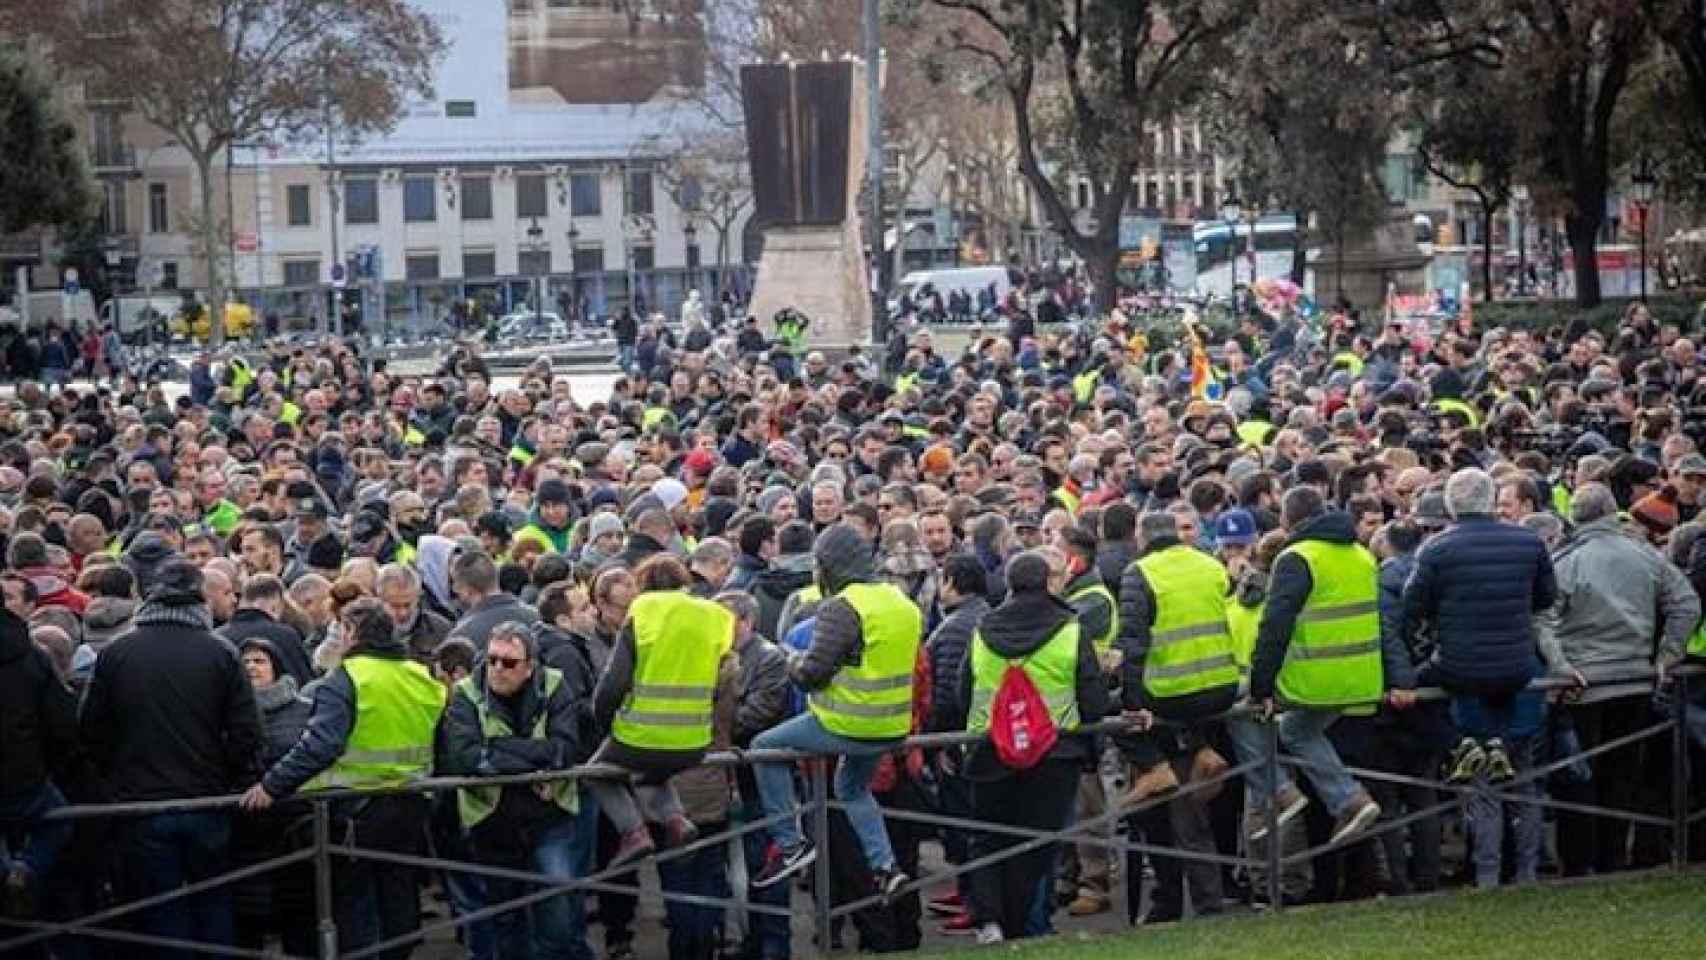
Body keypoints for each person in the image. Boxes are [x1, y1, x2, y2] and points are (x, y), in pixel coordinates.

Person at [239, 597, 447, 959]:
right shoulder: (420, 676)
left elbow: (320, 746)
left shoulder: (346, 678)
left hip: (357, 810)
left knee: (357, 911)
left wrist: (271, 785)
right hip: (413, 803)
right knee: (398, 900)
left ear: (351, 633)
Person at [79, 559, 262, 957]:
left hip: (141, 802)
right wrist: (229, 776)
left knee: (160, 911)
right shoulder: (221, 653)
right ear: (200, 599)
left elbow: (92, 729)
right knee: (213, 901)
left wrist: (116, 777)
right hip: (207, 799)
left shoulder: (117, 653)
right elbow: (247, 732)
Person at [1395, 468, 1565, 888]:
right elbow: (1546, 597)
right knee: (1521, 775)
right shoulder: (1528, 542)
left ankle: (1487, 875)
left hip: (1459, 670)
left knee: (1482, 780)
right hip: (1518, 668)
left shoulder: (1435, 550)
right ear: (1491, 500)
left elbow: (1411, 606)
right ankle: (1525, 872)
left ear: (1452, 505)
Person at [750, 523, 922, 900]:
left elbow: (811, 675)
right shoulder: (902, 602)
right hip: (891, 726)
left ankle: (791, 845)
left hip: (845, 722)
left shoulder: (842, 607)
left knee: (763, 748)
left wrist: (789, 656)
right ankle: (886, 866)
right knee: (851, 788)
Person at [949, 551, 1109, 944]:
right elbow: (1092, 697)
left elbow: (962, 689)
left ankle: (990, 922)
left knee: (987, 837)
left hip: (989, 748)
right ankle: (1023, 924)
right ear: (1047, 582)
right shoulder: (1071, 630)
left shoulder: (983, 628)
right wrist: (1091, 743)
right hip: (1056, 751)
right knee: (1037, 842)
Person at [1542, 482, 1700, 876]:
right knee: (1622, 775)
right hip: (1634, 679)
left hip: (1582, 685)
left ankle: (1579, 865)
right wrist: (1667, 654)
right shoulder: (1645, 555)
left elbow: (1540, 618)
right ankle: (1613, 859)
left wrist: (1559, 664)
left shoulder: (1565, 561)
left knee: (1579, 779)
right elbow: (1685, 602)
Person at [438, 621, 597, 960]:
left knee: (556, 909)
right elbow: (465, 758)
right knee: (506, 918)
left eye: (509, 663)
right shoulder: (467, 692)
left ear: (529, 668)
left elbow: (565, 749)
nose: (497, 668)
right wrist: (535, 760)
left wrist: (498, 748)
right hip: (492, 821)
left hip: (549, 816)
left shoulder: (554, 685)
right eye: (492, 659)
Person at [1238, 486, 1383, 847]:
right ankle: (1346, 800)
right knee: (1298, 732)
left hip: (1315, 677)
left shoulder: (1298, 557)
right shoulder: (1361, 555)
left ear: (1287, 521)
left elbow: (1275, 625)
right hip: (1362, 677)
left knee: (1247, 715)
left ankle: (1280, 794)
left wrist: (1261, 687)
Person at [1115, 510, 1240, 922]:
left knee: (1176, 813)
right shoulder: (1211, 565)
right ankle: (1203, 901)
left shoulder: (1141, 573)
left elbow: (1132, 644)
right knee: (1189, 818)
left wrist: (1133, 706)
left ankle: (1181, 903)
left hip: (1171, 694)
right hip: (1219, 689)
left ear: (1141, 537)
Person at [584, 555, 738, 865]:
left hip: (641, 734)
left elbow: (613, 684)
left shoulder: (644, 612)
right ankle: (677, 820)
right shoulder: (717, 616)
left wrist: (604, 722)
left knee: (596, 774)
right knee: (654, 774)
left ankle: (634, 833)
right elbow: (724, 680)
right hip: (695, 740)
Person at [0, 598, 76, 919]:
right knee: (59, 817)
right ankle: (25, 868)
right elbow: (61, 724)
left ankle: (7, 873)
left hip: (23, 776)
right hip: (23, 778)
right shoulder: (31, 657)